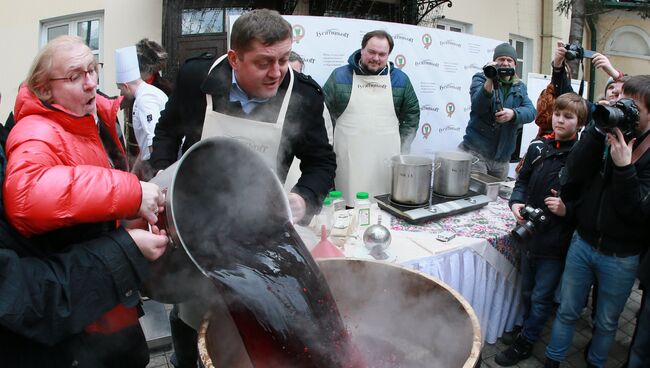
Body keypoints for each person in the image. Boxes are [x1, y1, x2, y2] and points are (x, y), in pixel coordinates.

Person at [148, 9, 336, 367]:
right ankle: (184, 359)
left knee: (256, 314)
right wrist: (160, 179)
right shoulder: (196, 78)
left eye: (283, 59)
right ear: (234, 58)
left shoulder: (305, 96)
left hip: (259, 225)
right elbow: (168, 131)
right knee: (190, 309)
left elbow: (322, 163)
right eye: (264, 62)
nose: (277, 72)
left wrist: (304, 197)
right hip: (194, 220)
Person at [3, 35, 165, 367]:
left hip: (109, 286)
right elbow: (26, 196)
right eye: (76, 76)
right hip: (81, 305)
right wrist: (131, 193)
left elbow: (89, 200)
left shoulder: (92, 119)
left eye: (93, 70)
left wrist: (132, 216)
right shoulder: (35, 130)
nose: (91, 84)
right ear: (45, 90)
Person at [544, 75, 650, 368]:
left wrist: (625, 168)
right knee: (567, 311)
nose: (624, 110)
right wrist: (594, 131)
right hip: (583, 242)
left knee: (605, 322)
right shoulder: (605, 131)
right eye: (622, 102)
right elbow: (572, 173)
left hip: (621, 255)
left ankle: (596, 363)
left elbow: (637, 213)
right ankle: (552, 360)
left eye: (634, 108)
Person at [494, 93, 587, 366]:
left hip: (555, 244)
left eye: (568, 116)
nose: (560, 119)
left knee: (541, 296)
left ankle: (527, 342)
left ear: (580, 123)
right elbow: (521, 182)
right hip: (529, 237)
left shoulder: (581, 158)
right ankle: (526, 326)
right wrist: (516, 205)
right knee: (526, 291)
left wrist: (566, 209)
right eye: (558, 114)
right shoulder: (537, 147)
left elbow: (586, 203)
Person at [323, 30, 420, 204]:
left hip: (385, 157)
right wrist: (327, 148)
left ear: (388, 55)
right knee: (349, 203)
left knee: (382, 202)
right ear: (362, 50)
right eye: (372, 52)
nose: (376, 58)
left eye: (382, 54)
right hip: (348, 156)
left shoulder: (401, 80)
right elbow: (323, 114)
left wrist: (402, 146)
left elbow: (411, 115)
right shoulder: (339, 76)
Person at [459, 42, 536, 180]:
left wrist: (513, 114)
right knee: (478, 197)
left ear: (514, 65)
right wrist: (490, 78)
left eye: (509, 60)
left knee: (496, 200)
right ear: (494, 61)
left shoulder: (520, 86)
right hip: (476, 154)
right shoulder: (480, 78)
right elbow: (478, 106)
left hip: (502, 159)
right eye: (501, 59)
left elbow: (531, 112)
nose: (505, 63)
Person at [115, 45, 168, 161]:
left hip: (159, 163)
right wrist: (136, 169)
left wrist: (156, 170)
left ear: (126, 86)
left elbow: (153, 138)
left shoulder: (145, 99)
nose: (120, 94)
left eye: (120, 89)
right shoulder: (142, 95)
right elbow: (145, 144)